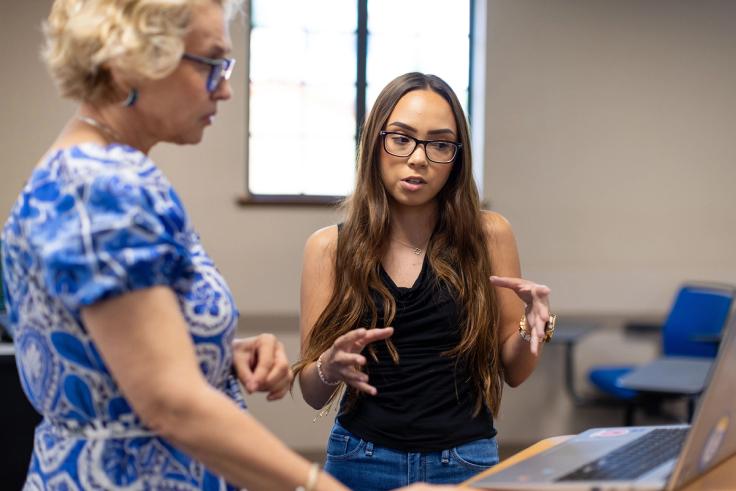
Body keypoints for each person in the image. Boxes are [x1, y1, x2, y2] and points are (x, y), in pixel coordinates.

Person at [0, 2, 453, 490]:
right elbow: (172, 403)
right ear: (130, 61)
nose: (225, 87)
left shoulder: (90, 171)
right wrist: (323, 487)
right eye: (210, 64)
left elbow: (104, 349)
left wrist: (212, 348)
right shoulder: (103, 186)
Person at [295, 72, 554, 490]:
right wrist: (329, 365)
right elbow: (312, 391)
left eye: (439, 144)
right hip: (360, 458)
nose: (418, 158)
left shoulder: (490, 235)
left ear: (457, 156)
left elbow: (515, 372)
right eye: (401, 138)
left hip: (466, 460)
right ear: (374, 144)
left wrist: (532, 326)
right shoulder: (329, 248)